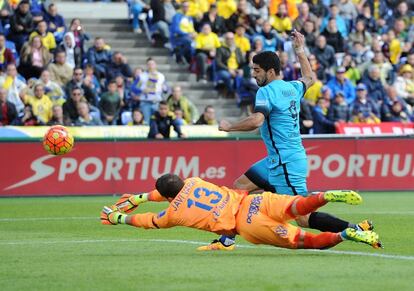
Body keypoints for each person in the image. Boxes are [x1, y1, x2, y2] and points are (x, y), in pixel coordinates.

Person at [207, 31, 371, 250]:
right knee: (239, 187)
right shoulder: (291, 87)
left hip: (286, 162)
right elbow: (310, 78)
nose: (253, 75)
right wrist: (300, 50)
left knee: (303, 216)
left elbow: (256, 121)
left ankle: (356, 229)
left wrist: (229, 126)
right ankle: (227, 240)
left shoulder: (266, 92)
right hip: (276, 159)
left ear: (271, 71)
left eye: (257, 70)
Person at [101, 174, 382, 250]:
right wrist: (140, 196)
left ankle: (347, 233)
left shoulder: (172, 213)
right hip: (254, 201)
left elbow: (149, 220)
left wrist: (119, 217)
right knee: (297, 206)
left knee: (306, 241)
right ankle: (325, 195)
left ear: (168, 197)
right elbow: (166, 191)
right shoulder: (196, 181)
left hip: (246, 224)